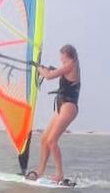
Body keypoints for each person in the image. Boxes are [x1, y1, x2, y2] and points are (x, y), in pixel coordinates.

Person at [26, 44, 81, 183]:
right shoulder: (69, 65)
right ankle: (39, 171)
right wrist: (47, 69)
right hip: (61, 106)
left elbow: (49, 76)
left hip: (69, 107)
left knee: (52, 141)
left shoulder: (71, 64)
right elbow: (59, 73)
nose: (60, 60)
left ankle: (59, 175)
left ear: (66, 55)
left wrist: (38, 67)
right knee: (45, 138)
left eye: (61, 57)